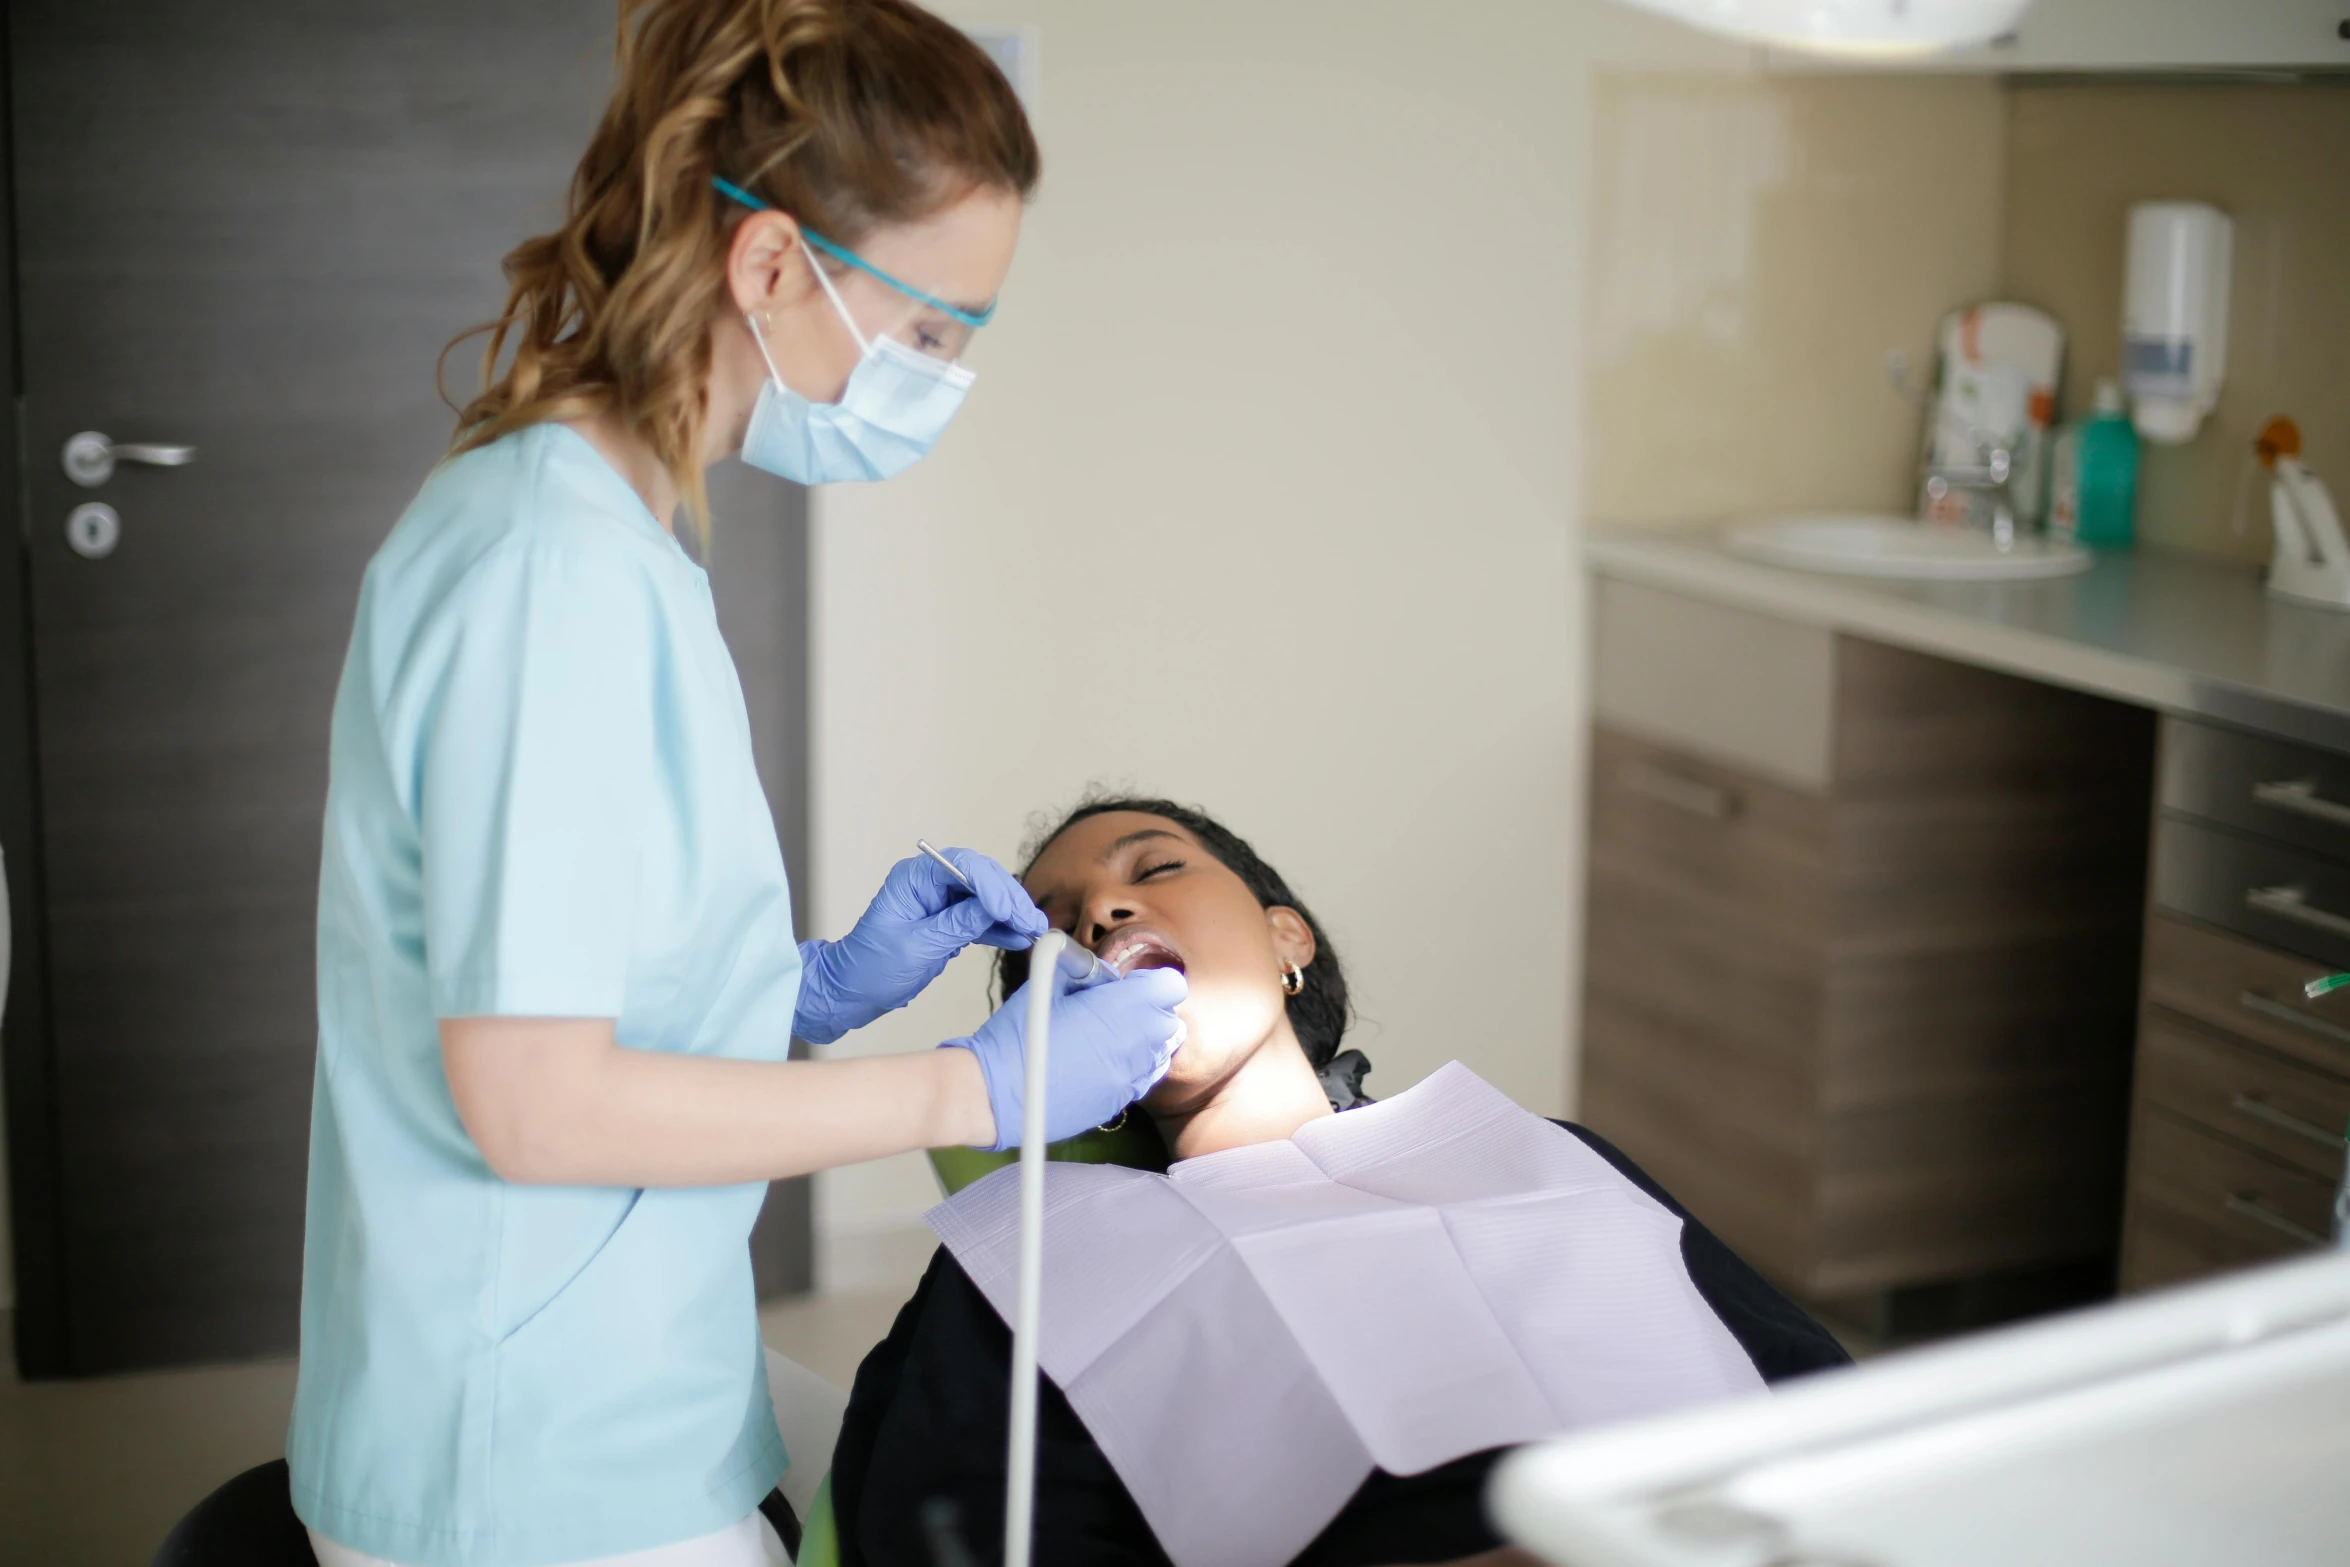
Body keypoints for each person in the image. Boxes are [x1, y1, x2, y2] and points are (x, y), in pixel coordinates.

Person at [286, 7, 1189, 1566]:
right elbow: (535, 1100)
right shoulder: (547, 573)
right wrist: (967, 1090)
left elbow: (574, 981)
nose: (945, 379)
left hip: (612, 1367)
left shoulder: (619, 535)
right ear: (771, 268)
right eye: (932, 331)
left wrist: (806, 989)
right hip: (520, 1465)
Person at [827, 798, 1852, 1567]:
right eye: (1053, 921)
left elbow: (1830, 1411)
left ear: (1287, 940)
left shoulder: (1540, 1155)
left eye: (1154, 867)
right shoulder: (1036, 1257)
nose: (1099, 907)